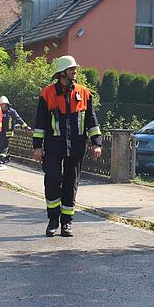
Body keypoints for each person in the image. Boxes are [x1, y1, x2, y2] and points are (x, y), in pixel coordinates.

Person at [32, 56, 102, 237]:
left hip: (76, 147)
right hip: (53, 147)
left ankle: (67, 223)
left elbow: (91, 120)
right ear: (62, 73)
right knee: (53, 181)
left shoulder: (84, 93)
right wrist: (37, 147)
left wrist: (97, 143)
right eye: (71, 69)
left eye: (75, 69)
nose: (75, 72)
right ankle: (53, 220)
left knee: (71, 184)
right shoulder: (47, 94)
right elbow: (40, 122)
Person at [0, 95, 29, 164]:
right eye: (1, 104)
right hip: (0, 131)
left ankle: (2, 158)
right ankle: (7, 157)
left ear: (6, 104)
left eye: (3, 104)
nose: (2, 106)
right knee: (0, 144)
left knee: (4, 145)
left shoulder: (12, 112)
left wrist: (25, 126)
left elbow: (18, 119)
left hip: (8, 131)